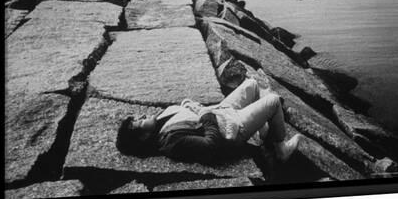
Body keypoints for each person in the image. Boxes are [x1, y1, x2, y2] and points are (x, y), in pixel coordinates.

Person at [116, 70, 301, 165]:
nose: (142, 114)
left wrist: (188, 104)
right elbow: (211, 144)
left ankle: (264, 131)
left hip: (221, 111)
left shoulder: (159, 121)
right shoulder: (171, 141)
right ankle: (280, 149)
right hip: (231, 128)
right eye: (139, 121)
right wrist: (205, 114)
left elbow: (185, 111)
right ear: (144, 137)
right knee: (273, 101)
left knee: (251, 84)